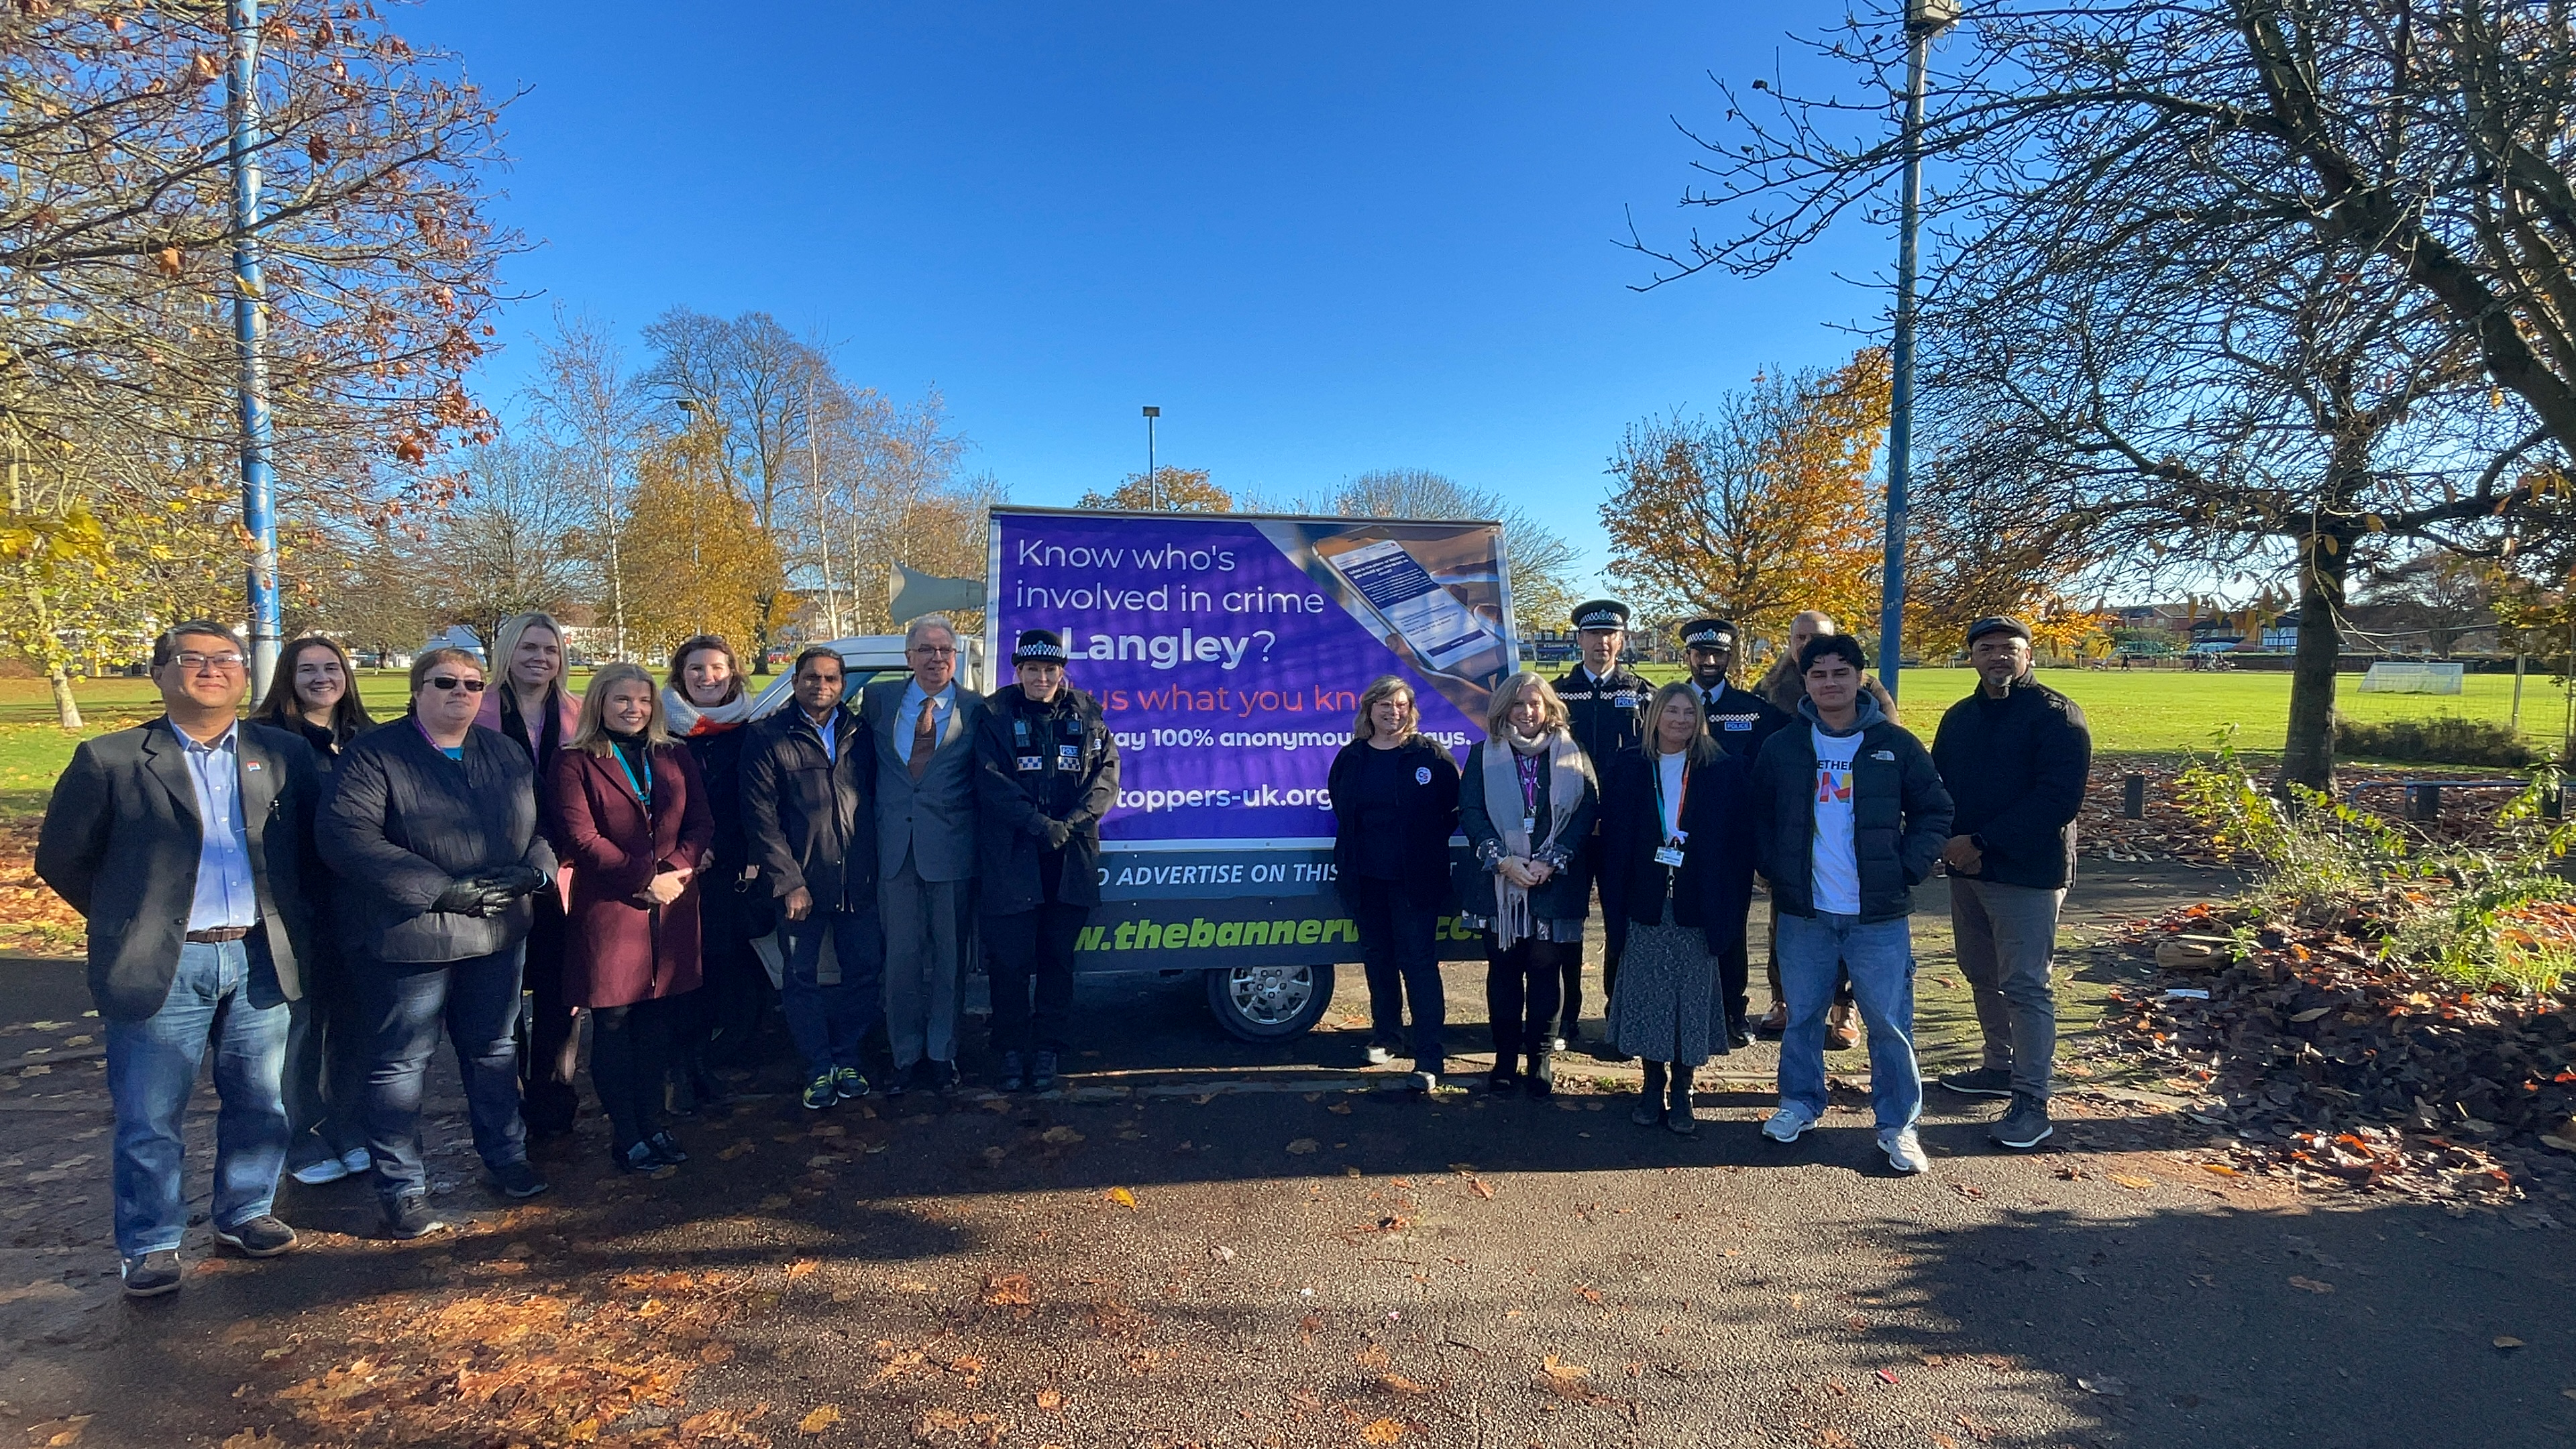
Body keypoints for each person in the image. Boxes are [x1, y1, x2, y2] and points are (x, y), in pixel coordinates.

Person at [36, 623, 321, 1297]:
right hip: (162, 964)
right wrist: (133, 920)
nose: (212, 670)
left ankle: (245, 1212)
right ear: (161, 673)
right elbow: (63, 859)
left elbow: (306, 854)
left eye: (226, 659)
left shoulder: (281, 756)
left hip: (258, 956)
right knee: (149, 1114)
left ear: (244, 675)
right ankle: (151, 1244)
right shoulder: (110, 759)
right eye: (192, 659)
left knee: (260, 1101)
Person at [321, 647, 556, 1239]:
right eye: (446, 682)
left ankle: (506, 1158)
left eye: (473, 685)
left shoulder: (503, 752)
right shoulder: (375, 755)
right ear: (417, 689)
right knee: (402, 1063)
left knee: (495, 1050)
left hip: (498, 931)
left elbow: (541, 826)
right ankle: (403, 1189)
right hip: (414, 938)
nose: (461, 693)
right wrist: (440, 891)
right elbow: (349, 838)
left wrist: (536, 873)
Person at [1751, 633, 1953, 1175]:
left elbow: (1935, 811)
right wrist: (1774, 870)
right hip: (1805, 913)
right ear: (1806, 681)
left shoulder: (1894, 744)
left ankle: (1899, 1126)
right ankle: (1798, 1104)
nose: (1830, 683)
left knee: (1889, 1024)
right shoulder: (1784, 747)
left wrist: (1907, 869)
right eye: (1819, 674)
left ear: (1860, 678)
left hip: (1877, 916)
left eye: (1841, 673)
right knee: (1803, 1019)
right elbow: (1758, 817)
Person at [1931, 616, 2093, 1150]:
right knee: (1979, 970)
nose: (1999, 656)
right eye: (1987, 648)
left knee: (2025, 983)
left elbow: (2058, 799)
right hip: (1968, 870)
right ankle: (1999, 1065)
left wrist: (1982, 843)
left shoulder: (2056, 715)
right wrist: (1948, 845)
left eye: (2009, 648)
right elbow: (1940, 788)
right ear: (1972, 657)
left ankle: (2033, 1098)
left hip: (2027, 872)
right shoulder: (1959, 718)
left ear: (2029, 655)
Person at [552, 664, 716, 1173]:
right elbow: (581, 837)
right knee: (617, 1021)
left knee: (659, 1021)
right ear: (600, 702)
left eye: (643, 700)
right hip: (613, 907)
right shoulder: (574, 762)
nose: (634, 709)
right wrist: (644, 879)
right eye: (622, 700)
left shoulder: (674, 754)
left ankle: (655, 1120)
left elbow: (702, 821)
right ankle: (626, 1134)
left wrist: (678, 870)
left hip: (673, 905)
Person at [1598, 682, 1756, 1136]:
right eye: (1673, 711)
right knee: (1650, 999)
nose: (1681, 720)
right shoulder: (1629, 766)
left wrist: (1728, 913)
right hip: (1645, 902)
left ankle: (1683, 1089)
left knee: (1689, 1001)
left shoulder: (1722, 769)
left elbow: (1737, 849)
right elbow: (1612, 847)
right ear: (1655, 717)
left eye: (1690, 712)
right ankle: (1651, 1084)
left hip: (1696, 905)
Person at [251, 635, 378, 1188]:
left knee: (354, 1026)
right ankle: (299, 1135)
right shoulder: (265, 742)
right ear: (288, 677)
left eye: (333, 667)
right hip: (294, 907)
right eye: (309, 669)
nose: (323, 678)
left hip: (359, 907)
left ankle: (349, 1124)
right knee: (299, 1029)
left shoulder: (369, 740)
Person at [972, 629, 1120, 1093]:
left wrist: (1069, 823)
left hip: (1070, 858)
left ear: (1062, 672)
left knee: (1058, 960)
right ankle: (1011, 1050)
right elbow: (990, 781)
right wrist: (1039, 825)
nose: (1041, 677)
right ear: (1018, 671)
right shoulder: (994, 714)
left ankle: (1048, 1050)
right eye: (1032, 669)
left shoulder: (1089, 714)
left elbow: (1106, 778)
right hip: (1011, 857)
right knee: (1010, 963)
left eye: (1049, 670)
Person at [744, 646, 884, 1111]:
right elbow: (760, 816)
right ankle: (817, 1066)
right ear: (796, 681)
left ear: (843, 685)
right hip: (801, 883)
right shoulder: (767, 735)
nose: (820, 686)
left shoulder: (861, 733)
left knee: (862, 972)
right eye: (810, 677)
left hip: (858, 879)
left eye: (830, 679)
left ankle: (847, 1058)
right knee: (800, 978)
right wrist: (788, 881)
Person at [859, 614, 985, 1095]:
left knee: (951, 960)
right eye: (926, 650)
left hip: (952, 852)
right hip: (894, 852)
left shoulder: (977, 710)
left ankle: (942, 1054)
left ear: (956, 658)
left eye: (945, 651)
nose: (936, 659)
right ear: (908, 657)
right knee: (902, 960)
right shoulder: (878, 701)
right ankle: (905, 1054)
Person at [1456, 673, 1595, 1097]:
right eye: (1518, 705)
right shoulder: (1483, 754)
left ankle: (1539, 1061)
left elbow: (1587, 811)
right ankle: (1503, 1060)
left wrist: (1550, 861)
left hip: (1553, 879)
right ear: (1503, 710)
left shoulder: (1574, 754)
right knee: (1503, 970)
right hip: (1501, 882)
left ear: (1549, 708)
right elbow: (1472, 812)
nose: (1527, 712)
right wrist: (1504, 861)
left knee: (1544, 970)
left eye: (1535, 703)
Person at [474, 612, 584, 1140]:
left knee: (561, 988)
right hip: (496, 866)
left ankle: (553, 1095)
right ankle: (509, 1096)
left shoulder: (579, 714)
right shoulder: (478, 709)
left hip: (565, 870)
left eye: (550, 649)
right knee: (503, 993)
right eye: (529, 648)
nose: (540, 658)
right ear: (507, 653)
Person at [1750, 609, 1880, 1044]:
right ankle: (1784, 999)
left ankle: (1844, 1008)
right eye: (1798, 637)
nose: (1805, 645)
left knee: (1849, 927)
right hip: (1791, 833)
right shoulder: (1768, 693)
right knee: (1783, 926)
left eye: (1815, 637)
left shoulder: (1871, 693)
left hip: (1847, 831)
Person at [1327, 676, 1460, 1091]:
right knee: (1378, 959)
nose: (1392, 711)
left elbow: (1451, 811)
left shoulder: (1430, 757)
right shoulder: (1351, 758)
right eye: (1384, 704)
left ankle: (1429, 1057)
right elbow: (1341, 806)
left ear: (1411, 710)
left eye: (1400, 704)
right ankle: (1386, 1037)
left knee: (1418, 964)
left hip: (1414, 881)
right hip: (1364, 878)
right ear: (1368, 710)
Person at [662, 635, 770, 1102]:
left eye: (717, 669)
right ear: (680, 677)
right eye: (696, 670)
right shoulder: (659, 731)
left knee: (719, 970)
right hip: (673, 871)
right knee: (675, 974)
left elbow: (758, 802)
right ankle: (679, 1072)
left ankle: (706, 1065)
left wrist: (717, 849)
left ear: (733, 673)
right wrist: (684, 849)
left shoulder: (753, 729)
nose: (707, 678)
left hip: (724, 869)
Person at [1676, 617, 1789, 1046]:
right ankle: (1680, 1007)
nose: (1708, 661)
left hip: (1730, 843)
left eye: (1717, 654)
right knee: (1673, 924)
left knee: (1729, 927)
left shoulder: (1756, 712)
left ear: (1729, 657)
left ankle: (1730, 1010)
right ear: (1687, 656)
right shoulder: (1667, 706)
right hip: (1673, 839)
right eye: (1700, 653)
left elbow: (1769, 778)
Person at [1549, 598, 1651, 1059]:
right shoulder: (1555, 695)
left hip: (1622, 833)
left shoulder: (1646, 695)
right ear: (1579, 640)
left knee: (1621, 926)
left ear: (1622, 640)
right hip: (1567, 829)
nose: (1601, 643)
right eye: (1593, 635)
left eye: (1610, 635)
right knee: (1565, 924)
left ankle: (1619, 1015)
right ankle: (1565, 1018)